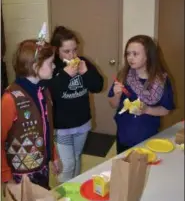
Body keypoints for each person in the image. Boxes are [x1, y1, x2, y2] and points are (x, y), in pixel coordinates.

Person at [1, 24, 61, 190]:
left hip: (41, 166)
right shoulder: (10, 99)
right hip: (20, 175)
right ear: (35, 67)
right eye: (50, 63)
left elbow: (46, 128)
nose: (54, 66)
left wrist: (53, 156)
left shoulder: (44, 91)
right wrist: (5, 175)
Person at [48, 26, 104, 182]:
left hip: (82, 122)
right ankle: (63, 199)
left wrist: (86, 72)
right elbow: (49, 92)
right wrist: (66, 75)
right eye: (66, 51)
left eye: (74, 50)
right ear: (56, 50)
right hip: (62, 127)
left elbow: (98, 86)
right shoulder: (51, 66)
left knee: (77, 157)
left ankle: (75, 192)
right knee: (68, 164)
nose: (72, 55)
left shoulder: (82, 62)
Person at [108, 35, 175, 154]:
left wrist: (147, 109)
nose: (130, 58)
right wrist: (117, 95)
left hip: (148, 135)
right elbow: (113, 104)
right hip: (124, 134)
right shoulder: (123, 75)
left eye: (135, 54)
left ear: (148, 56)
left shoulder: (161, 80)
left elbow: (166, 109)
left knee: (146, 167)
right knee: (125, 165)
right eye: (128, 54)